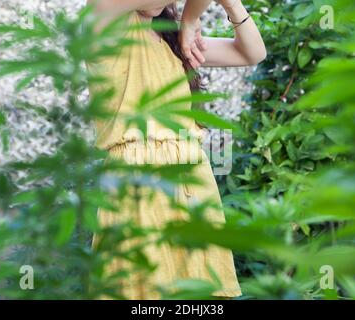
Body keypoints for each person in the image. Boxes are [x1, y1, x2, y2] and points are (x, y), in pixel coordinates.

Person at [87, 0, 266, 299]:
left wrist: (231, 6)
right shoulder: (105, 16)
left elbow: (253, 52)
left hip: (192, 180)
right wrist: (191, 18)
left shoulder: (172, 40)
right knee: (143, 294)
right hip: (138, 183)